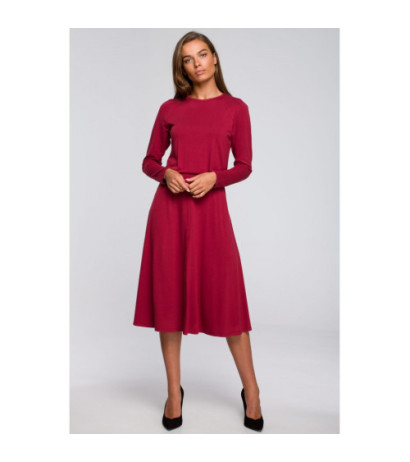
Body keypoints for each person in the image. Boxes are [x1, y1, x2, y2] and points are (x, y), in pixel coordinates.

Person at [133, 31, 263, 432]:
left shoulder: (236, 109)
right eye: (188, 59)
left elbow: (244, 165)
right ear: (182, 68)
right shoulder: (170, 108)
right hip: (169, 213)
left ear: (215, 58)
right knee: (169, 302)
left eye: (202, 54)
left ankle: (252, 391)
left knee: (228, 301)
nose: (197, 64)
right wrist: (165, 173)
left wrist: (215, 177)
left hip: (211, 213)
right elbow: (149, 160)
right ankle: (174, 392)